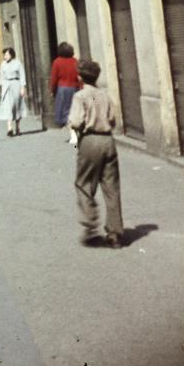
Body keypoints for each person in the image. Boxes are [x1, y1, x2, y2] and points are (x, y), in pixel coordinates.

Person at [67, 59, 124, 247]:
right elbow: (113, 120)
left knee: (83, 183)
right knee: (111, 187)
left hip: (90, 140)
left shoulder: (80, 96)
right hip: (108, 140)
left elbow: (75, 122)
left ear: (80, 77)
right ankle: (114, 232)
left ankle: (91, 223)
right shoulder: (105, 95)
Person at [49, 42, 81, 129]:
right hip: (74, 87)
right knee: (73, 108)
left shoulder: (57, 62)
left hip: (62, 88)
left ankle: (69, 127)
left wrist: (52, 90)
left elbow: (54, 78)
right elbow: (79, 76)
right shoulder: (75, 61)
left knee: (64, 109)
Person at [0, 45, 25, 136]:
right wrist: (2, 89)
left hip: (16, 85)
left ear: (11, 55)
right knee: (8, 107)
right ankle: (9, 127)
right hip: (6, 86)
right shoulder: (3, 64)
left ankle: (17, 127)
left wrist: (22, 87)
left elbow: (22, 76)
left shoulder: (18, 63)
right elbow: (1, 77)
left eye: (6, 54)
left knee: (16, 106)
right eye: (4, 55)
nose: (5, 56)